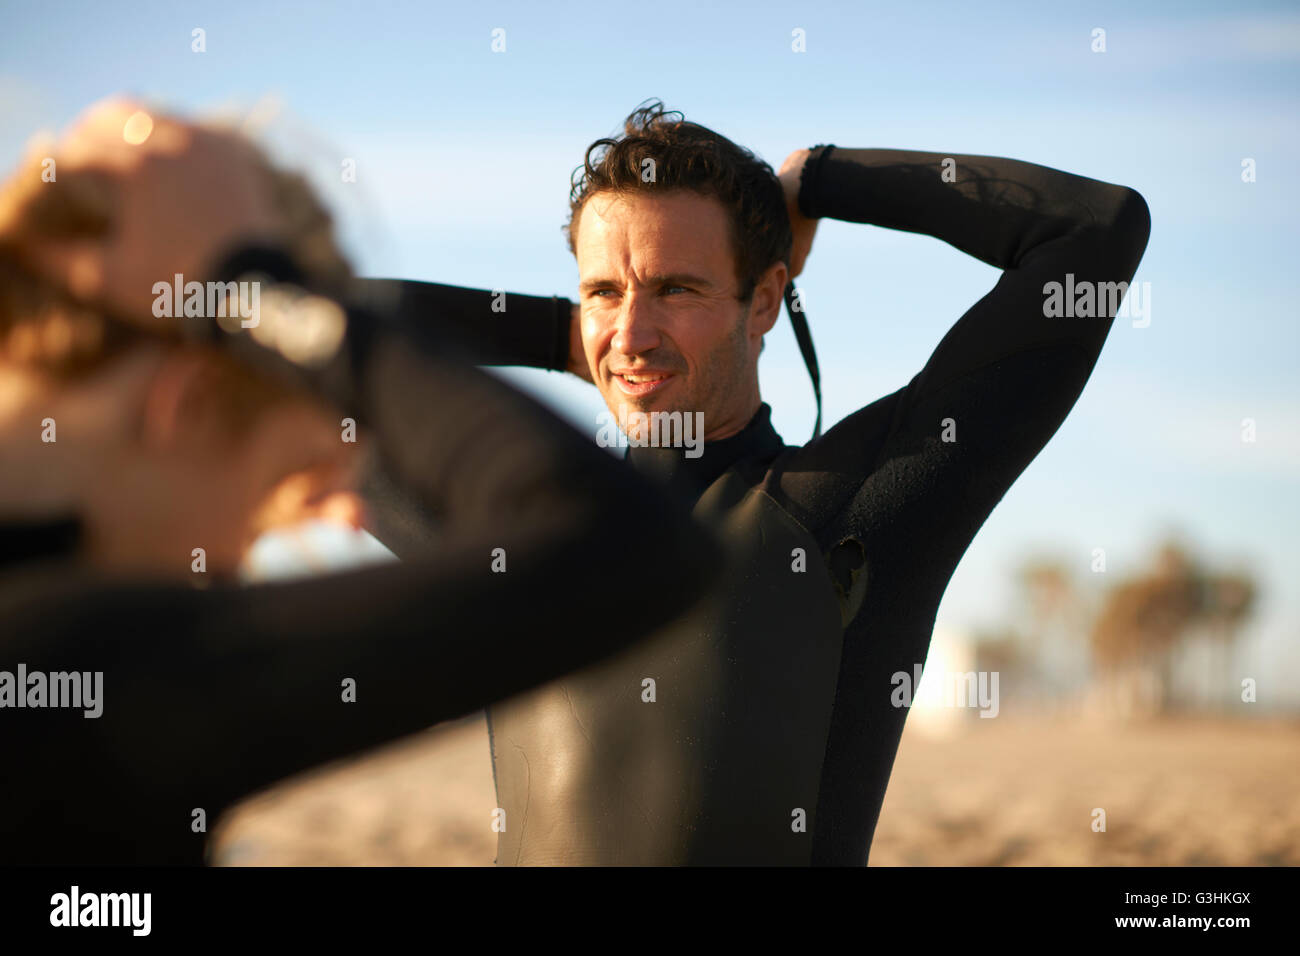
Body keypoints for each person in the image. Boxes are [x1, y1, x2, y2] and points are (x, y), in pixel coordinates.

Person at [362, 100, 1152, 865]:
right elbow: (281, 333)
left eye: (676, 288)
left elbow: (1094, 230)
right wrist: (576, 340)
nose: (632, 333)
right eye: (603, 290)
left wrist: (822, 180)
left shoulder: (853, 505)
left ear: (764, 300)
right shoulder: (521, 528)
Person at [0, 98, 721, 865]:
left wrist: (255, 296)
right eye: (263, 509)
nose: (243, 565)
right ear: (189, 405)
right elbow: (623, 545)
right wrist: (250, 286)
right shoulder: (79, 658)